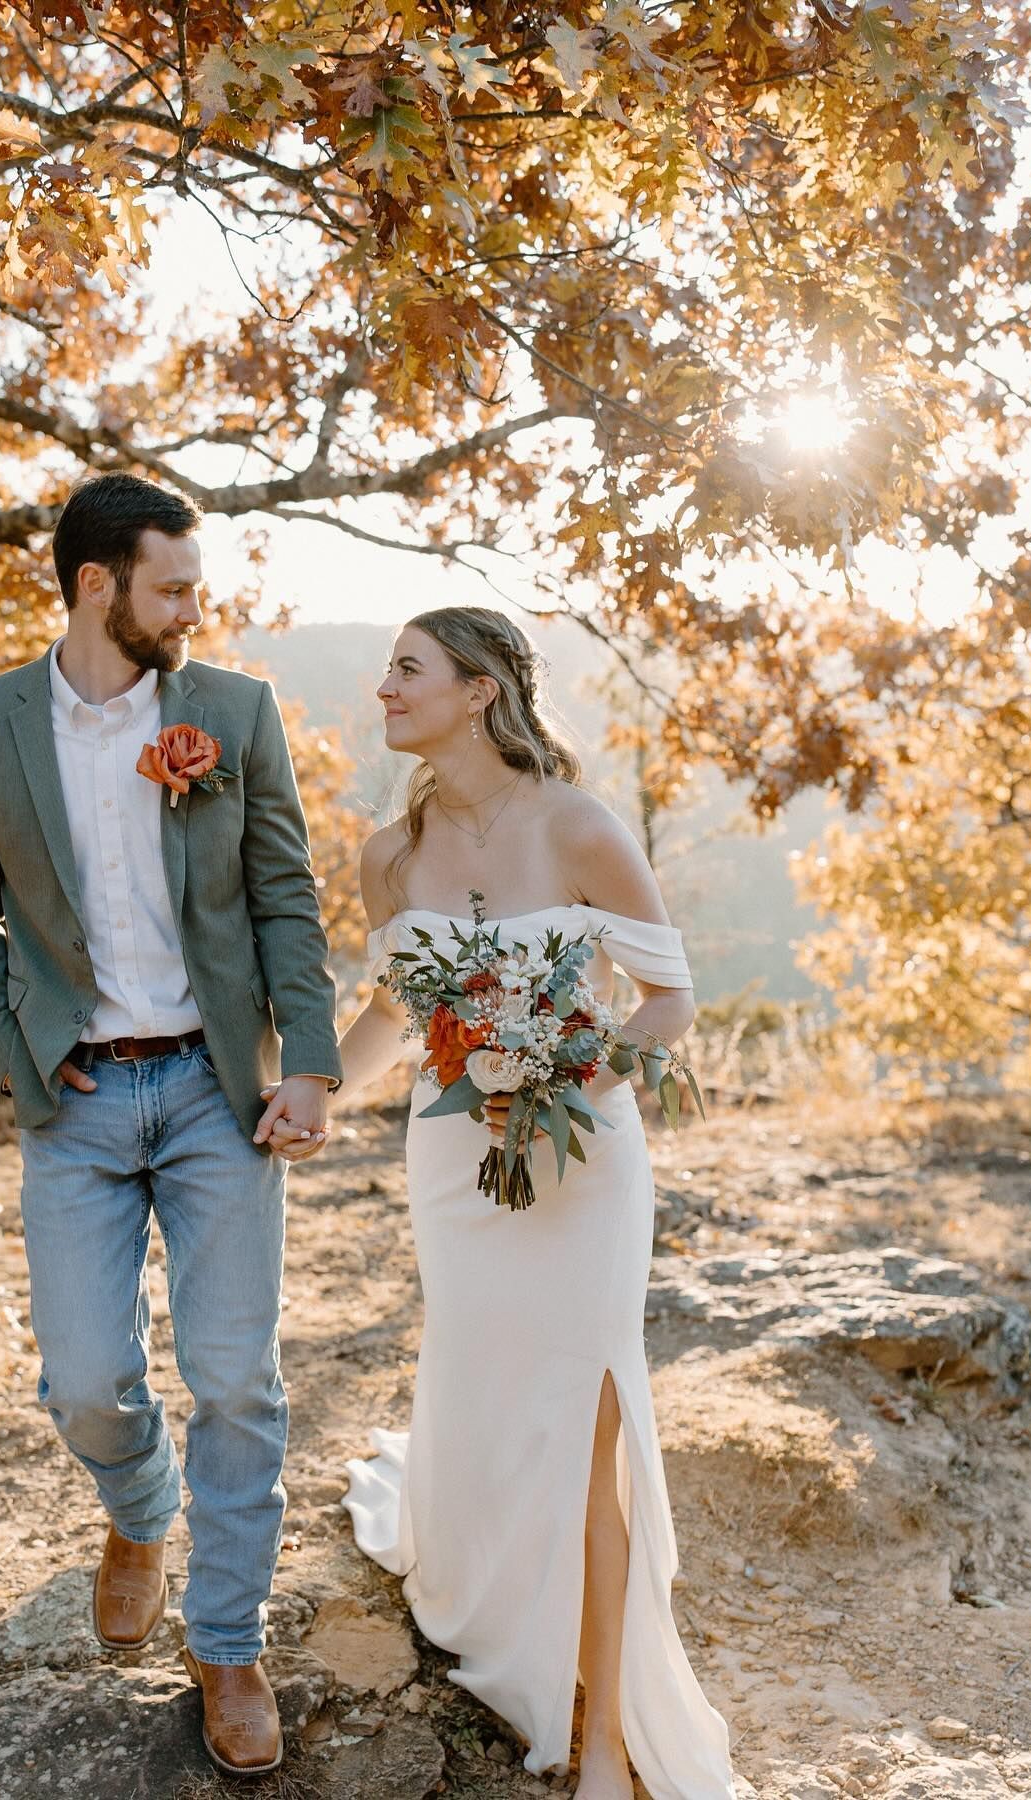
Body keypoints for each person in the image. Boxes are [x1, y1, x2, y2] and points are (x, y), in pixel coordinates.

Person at [0, 471, 341, 1777]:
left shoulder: (233, 712)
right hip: (80, 1100)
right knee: (88, 1381)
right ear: (99, 585)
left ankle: (226, 1647)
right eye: (172, 586)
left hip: (220, 1095)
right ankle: (139, 1507)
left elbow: (285, 895)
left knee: (235, 1382)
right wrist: (16, 1057)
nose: (191, 608)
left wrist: (312, 1065)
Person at [325, 606, 737, 1798]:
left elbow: (668, 1003)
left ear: (480, 692)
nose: (386, 687)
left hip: (584, 1163)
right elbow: (394, 1021)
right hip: (456, 1171)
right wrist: (306, 1099)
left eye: (409, 670)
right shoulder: (385, 858)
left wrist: (565, 1073)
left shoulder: (577, 827)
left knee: (595, 1420)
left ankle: (605, 1732)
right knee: (495, 1404)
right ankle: (513, 1618)